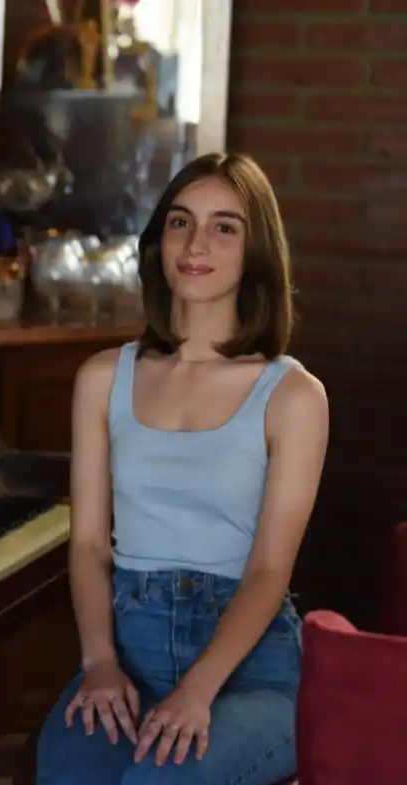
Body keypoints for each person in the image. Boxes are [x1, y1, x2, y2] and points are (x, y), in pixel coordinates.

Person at [35, 152, 329, 785]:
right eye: (180, 222)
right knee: (65, 772)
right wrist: (99, 663)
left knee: (157, 780)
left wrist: (197, 690)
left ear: (256, 251)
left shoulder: (293, 395)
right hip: (127, 653)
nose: (197, 243)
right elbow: (87, 545)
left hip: (251, 669)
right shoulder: (103, 379)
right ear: (158, 240)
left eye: (225, 226)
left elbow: (271, 570)